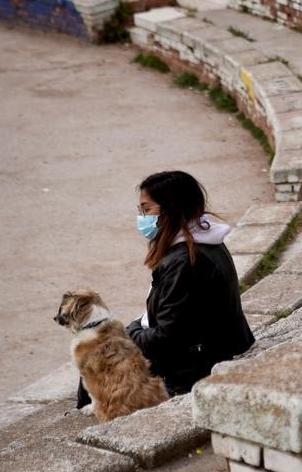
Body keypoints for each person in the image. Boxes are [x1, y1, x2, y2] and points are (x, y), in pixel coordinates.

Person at [76, 171, 254, 409]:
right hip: (207, 347)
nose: (142, 218)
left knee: (96, 357)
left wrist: (128, 333)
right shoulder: (203, 242)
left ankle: (89, 416)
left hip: (194, 364)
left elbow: (166, 339)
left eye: (146, 210)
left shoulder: (185, 262)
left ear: (170, 209)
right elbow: (172, 317)